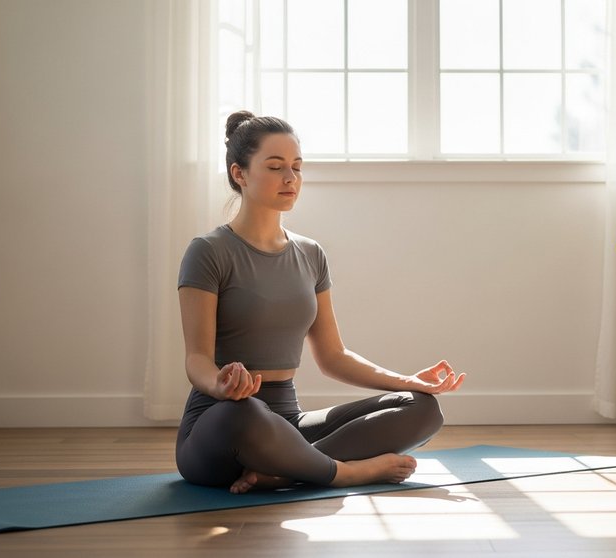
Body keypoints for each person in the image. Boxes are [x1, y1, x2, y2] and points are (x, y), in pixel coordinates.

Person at [175, 111, 465, 494]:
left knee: (422, 407)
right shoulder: (208, 251)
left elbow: (333, 356)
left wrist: (406, 380)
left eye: (296, 167)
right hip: (224, 421)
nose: (290, 178)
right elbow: (196, 360)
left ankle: (286, 470)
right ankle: (345, 472)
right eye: (276, 167)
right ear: (239, 174)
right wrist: (222, 386)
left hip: (287, 422)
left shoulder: (310, 254)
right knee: (247, 414)